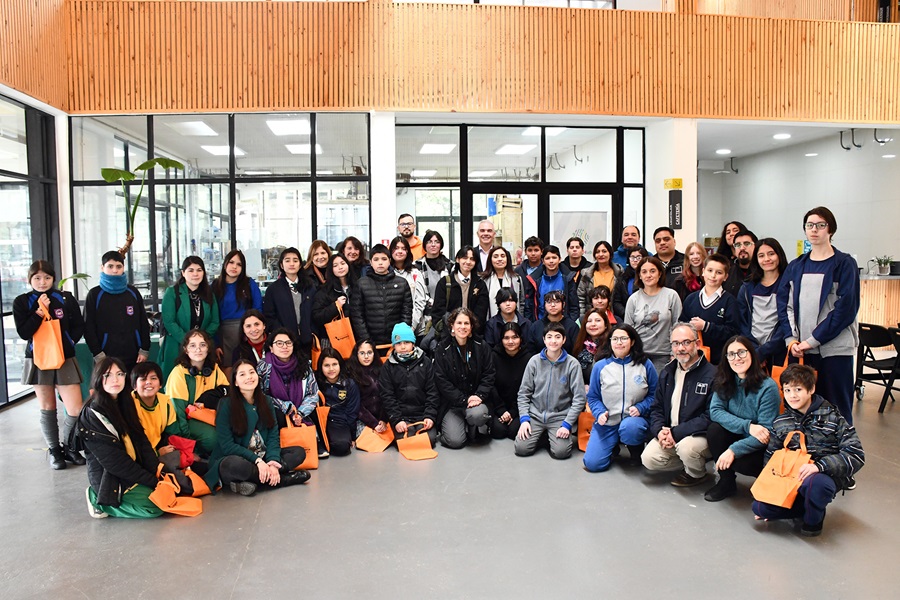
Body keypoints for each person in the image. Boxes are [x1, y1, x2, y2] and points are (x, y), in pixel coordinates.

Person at [752, 364, 864, 537]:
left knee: (815, 485)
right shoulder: (781, 421)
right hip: (790, 478)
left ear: (811, 389)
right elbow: (770, 458)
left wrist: (820, 466)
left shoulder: (833, 416)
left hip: (823, 476)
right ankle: (803, 508)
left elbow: (856, 454)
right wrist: (770, 489)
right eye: (787, 390)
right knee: (759, 508)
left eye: (798, 389)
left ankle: (814, 519)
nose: (792, 395)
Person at [777, 206, 860, 424]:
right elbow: (784, 305)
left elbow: (846, 310)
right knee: (801, 407)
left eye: (820, 225)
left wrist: (813, 340)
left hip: (834, 351)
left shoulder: (844, 264)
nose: (814, 230)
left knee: (836, 406)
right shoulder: (796, 266)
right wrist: (791, 339)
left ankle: (841, 454)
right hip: (801, 350)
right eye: (810, 225)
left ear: (830, 229)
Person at [14, 260, 86, 469]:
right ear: (30, 280)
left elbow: (78, 325)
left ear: (53, 278)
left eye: (47, 277)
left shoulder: (64, 298)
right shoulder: (22, 301)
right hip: (38, 359)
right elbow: (24, 333)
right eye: (37, 278)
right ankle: (55, 451)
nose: (42, 282)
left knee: (75, 408)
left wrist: (68, 343)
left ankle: (70, 447)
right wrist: (39, 312)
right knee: (47, 407)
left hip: (64, 358)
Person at [206, 359, 310, 496]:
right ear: (235, 382)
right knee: (233, 465)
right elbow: (227, 446)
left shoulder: (266, 401)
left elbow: (273, 435)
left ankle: (256, 481)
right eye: (242, 374)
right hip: (238, 458)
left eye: (251, 372)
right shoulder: (226, 404)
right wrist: (258, 461)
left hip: (262, 454)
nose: (249, 377)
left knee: (298, 452)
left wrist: (272, 462)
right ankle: (282, 480)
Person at [79, 357, 163, 519]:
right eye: (108, 375)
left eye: (119, 374)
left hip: (131, 468)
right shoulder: (92, 414)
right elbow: (115, 463)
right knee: (154, 507)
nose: (115, 380)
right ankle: (97, 499)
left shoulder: (126, 402)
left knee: (169, 495)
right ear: (98, 379)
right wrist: (152, 482)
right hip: (109, 479)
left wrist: (157, 473)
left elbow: (141, 440)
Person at [704, 336, 781, 502]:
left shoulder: (768, 387)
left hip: (758, 443)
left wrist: (733, 450)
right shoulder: (724, 380)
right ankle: (726, 482)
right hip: (742, 432)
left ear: (751, 354)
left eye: (741, 352)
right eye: (731, 354)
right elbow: (716, 411)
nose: (736, 358)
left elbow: (766, 433)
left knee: (742, 463)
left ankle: (766, 484)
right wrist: (747, 426)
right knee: (715, 430)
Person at [641, 323, 716, 486]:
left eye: (686, 342)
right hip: (671, 432)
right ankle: (691, 461)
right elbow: (657, 408)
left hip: (698, 436)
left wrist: (677, 432)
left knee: (687, 448)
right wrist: (660, 431)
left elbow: (710, 416)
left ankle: (697, 473)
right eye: (676, 343)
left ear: (697, 344)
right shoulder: (667, 372)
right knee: (648, 459)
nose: (680, 348)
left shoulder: (712, 375)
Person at [583, 324, 658, 472]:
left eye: (623, 338)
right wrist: (599, 412)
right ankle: (612, 448)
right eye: (615, 338)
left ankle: (635, 451)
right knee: (592, 464)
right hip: (608, 422)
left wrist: (641, 407)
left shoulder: (645, 365)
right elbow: (593, 397)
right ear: (610, 341)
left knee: (630, 428)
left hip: (634, 420)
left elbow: (655, 395)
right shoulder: (600, 367)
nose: (619, 342)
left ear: (632, 341)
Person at [515, 322, 586, 459]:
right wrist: (524, 419)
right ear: (544, 340)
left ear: (564, 340)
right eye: (549, 337)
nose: (553, 341)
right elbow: (523, 394)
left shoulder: (572, 364)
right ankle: (543, 435)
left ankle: (550, 435)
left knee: (561, 453)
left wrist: (567, 424)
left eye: (558, 337)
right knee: (521, 449)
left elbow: (579, 398)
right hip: (535, 415)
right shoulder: (534, 362)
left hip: (559, 417)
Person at [433, 308, 496, 448]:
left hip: (476, 402)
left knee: (477, 415)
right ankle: (461, 427)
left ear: (471, 326)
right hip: (453, 404)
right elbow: (441, 380)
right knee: (455, 442)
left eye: (466, 323)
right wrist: (463, 399)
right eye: (459, 323)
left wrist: (479, 395)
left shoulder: (481, 346)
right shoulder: (442, 349)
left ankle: (473, 426)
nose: (463, 327)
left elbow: (489, 374)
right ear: (452, 326)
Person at [82, 250, 151, 372]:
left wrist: (144, 350)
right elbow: (88, 328)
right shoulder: (95, 294)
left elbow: (143, 323)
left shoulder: (133, 292)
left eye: (119, 266)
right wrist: (98, 354)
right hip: (105, 357)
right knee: (108, 391)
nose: (115, 270)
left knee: (132, 390)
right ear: (102, 267)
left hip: (134, 357)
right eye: (110, 266)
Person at [164, 330, 228, 455]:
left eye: (202, 345)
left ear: (208, 348)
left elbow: (227, 392)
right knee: (213, 439)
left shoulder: (213, 369)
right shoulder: (179, 373)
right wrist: (187, 445)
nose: (198, 349)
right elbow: (178, 414)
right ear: (185, 349)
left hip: (207, 415)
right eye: (192, 345)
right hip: (185, 421)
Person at [158, 255, 220, 378]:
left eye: (199, 270)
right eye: (190, 270)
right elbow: (169, 322)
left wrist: (201, 340)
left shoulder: (209, 294)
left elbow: (215, 321)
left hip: (201, 349)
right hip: (176, 345)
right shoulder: (172, 292)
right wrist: (188, 342)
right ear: (183, 273)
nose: (195, 274)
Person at [380, 323, 440, 447]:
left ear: (413, 343)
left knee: (429, 440)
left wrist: (429, 416)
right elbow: (387, 396)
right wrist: (396, 420)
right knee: (406, 441)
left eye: (406, 342)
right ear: (394, 346)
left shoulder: (426, 362)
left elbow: (432, 391)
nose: (403, 347)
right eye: (398, 343)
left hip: (422, 414)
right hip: (401, 416)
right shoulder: (387, 367)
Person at [679, 253, 739, 365]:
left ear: (726, 277)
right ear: (703, 271)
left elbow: (733, 332)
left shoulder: (730, 301)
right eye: (710, 270)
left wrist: (706, 326)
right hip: (692, 360)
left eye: (719, 272)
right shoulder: (691, 299)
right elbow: (681, 325)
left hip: (719, 361)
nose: (713, 276)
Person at [624, 256, 683, 373]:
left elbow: (677, 325)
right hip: (639, 354)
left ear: (660, 273)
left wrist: (674, 353)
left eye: (652, 271)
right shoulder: (633, 299)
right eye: (644, 272)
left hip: (664, 355)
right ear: (639, 275)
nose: (648, 275)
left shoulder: (671, 296)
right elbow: (628, 330)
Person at [256, 328, 319, 432]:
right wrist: (285, 406)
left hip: (302, 414)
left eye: (288, 343)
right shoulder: (263, 367)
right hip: (274, 414)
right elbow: (260, 394)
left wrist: (300, 413)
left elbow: (313, 393)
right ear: (271, 348)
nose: (284, 346)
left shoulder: (304, 365)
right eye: (279, 343)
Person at [738, 238, 788, 368]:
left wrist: (763, 352)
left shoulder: (789, 285)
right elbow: (742, 322)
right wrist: (755, 351)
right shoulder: (747, 287)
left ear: (779, 255)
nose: (767, 259)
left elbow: (788, 321)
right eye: (761, 255)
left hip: (779, 351)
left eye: (771, 254)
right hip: (751, 350)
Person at [350, 244, 413, 347]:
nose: (380, 262)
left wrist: (400, 338)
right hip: (369, 341)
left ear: (389, 260)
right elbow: (357, 315)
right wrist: (366, 339)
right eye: (376, 259)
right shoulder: (361, 284)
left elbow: (406, 313)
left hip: (396, 340)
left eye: (384, 259)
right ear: (370, 262)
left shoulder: (402, 283)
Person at [211, 249, 263, 372]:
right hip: (224, 333)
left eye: (239, 264)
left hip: (247, 331)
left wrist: (253, 329)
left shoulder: (249, 284)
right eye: (231, 262)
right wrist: (216, 343)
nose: (234, 267)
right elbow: (212, 316)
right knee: (228, 369)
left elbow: (258, 308)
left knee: (248, 367)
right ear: (225, 264)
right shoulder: (215, 286)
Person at [262, 247, 316, 354]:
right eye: (287, 260)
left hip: (308, 341)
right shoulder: (273, 289)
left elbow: (315, 312)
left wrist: (312, 332)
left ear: (300, 264)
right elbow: (269, 316)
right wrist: (282, 334)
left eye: (295, 260)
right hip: (285, 343)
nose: (292, 264)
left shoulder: (309, 286)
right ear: (281, 265)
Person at [431, 245, 489, 337]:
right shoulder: (445, 283)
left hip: (472, 335)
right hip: (448, 335)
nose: (468, 262)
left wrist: (469, 330)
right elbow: (437, 312)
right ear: (457, 259)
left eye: (472, 259)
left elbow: (481, 314)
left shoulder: (480, 284)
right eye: (464, 258)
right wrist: (453, 330)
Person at [315, 348, 361, 456]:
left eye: (334, 364)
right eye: (326, 365)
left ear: (340, 365)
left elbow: (352, 413)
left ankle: (326, 444)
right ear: (320, 367)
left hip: (340, 422)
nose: (331, 369)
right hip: (320, 421)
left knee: (342, 447)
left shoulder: (349, 384)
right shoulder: (316, 382)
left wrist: (352, 436)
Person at [130, 361, 178, 464]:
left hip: (158, 449)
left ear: (160, 384)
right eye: (143, 379)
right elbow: (131, 445)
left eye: (153, 378)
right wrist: (156, 453)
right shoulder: (128, 405)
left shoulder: (166, 402)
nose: (148, 382)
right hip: (136, 456)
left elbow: (173, 432)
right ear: (134, 386)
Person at [490, 322, 529, 440]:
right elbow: (490, 385)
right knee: (498, 432)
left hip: (519, 407)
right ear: (501, 340)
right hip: (498, 405)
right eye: (506, 338)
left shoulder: (529, 359)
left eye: (514, 337)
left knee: (514, 432)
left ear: (521, 339)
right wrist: (501, 410)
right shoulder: (493, 356)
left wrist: (512, 412)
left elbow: (528, 389)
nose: (510, 341)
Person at [523, 245, 579, 322]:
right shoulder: (535, 280)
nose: (551, 261)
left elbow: (574, 307)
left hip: (563, 324)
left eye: (554, 257)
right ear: (543, 261)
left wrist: (570, 325)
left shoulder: (567, 279)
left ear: (560, 259)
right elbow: (529, 306)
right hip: (541, 323)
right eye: (547, 258)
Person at [413, 230, 452, 337]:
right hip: (423, 316)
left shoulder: (450, 266)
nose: (433, 244)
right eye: (430, 241)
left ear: (441, 245)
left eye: (437, 241)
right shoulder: (416, 266)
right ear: (425, 245)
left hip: (444, 315)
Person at [311, 253, 357, 342]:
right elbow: (317, 317)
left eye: (343, 263)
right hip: (333, 339)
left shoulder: (357, 286)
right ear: (331, 270)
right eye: (335, 265)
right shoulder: (325, 291)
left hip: (356, 337)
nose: (340, 267)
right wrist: (335, 306)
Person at [347, 340, 388, 436]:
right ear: (356, 354)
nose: (366, 357)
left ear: (374, 353)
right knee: (373, 440)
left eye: (369, 353)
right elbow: (357, 406)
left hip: (382, 418)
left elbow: (387, 397)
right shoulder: (351, 373)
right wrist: (373, 423)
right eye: (362, 353)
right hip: (362, 419)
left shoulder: (382, 369)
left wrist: (383, 419)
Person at [577, 240, 626, 318]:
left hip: (614, 317)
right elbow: (581, 298)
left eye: (604, 251)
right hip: (592, 316)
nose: (601, 254)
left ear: (610, 254)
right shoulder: (587, 274)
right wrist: (583, 317)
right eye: (597, 252)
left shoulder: (619, 272)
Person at [389, 236, 425, 332]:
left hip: (414, 327)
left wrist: (411, 327)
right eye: (396, 248)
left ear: (408, 252)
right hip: (390, 326)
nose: (400, 251)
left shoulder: (415, 273)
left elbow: (420, 302)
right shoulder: (386, 273)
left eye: (403, 249)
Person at [527, 290, 580, 355]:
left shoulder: (572, 326)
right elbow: (531, 350)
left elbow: (576, 350)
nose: (552, 305)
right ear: (544, 305)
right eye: (549, 302)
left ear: (563, 304)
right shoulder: (536, 326)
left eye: (557, 302)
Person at [481, 246, 527, 320]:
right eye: (495, 257)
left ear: (507, 259)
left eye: (503, 256)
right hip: (489, 324)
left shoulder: (516, 279)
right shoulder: (484, 280)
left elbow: (521, 302)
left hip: (513, 323)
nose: (500, 259)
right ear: (490, 260)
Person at [572, 307, 611, 385]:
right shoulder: (579, 345)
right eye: (589, 321)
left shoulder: (612, 345)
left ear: (606, 325)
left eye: (598, 320)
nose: (593, 324)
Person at [723, 229, 757, 297]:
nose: (742, 248)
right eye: (738, 245)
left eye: (747, 244)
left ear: (756, 246)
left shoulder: (763, 272)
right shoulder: (727, 273)